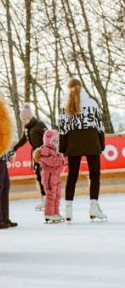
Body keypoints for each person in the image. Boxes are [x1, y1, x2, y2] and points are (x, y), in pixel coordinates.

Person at [59, 78, 107, 222]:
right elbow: (100, 125)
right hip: (92, 141)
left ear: (69, 89)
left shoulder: (65, 105)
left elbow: (63, 129)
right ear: (81, 86)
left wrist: (63, 149)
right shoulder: (92, 103)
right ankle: (93, 206)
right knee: (95, 175)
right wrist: (101, 144)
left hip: (74, 142)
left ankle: (68, 209)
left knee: (72, 176)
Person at [11, 104, 47, 211]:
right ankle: (44, 199)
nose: (23, 122)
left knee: (47, 177)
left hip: (44, 154)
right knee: (39, 177)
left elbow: (48, 137)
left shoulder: (39, 125)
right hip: (36, 156)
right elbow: (23, 140)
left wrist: (47, 151)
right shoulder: (27, 128)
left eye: (23, 120)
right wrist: (13, 149)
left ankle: (51, 200)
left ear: (28, 118)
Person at [33, 130, 66, 223]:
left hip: (56, 177)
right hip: (49, 177)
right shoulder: (45, 150)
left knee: (57, 195)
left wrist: (65, 159)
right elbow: (51, 161)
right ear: (48, 141)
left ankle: (55, 213)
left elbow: (63, 160)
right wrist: (61, 160)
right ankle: (49, 214)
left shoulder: (56, 150)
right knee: (51, 195)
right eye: (54, 140)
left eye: (58, 140)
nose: (57, 143)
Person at [0, 150, 18, 229]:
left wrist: (10, 154)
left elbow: (5, 142)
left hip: (2, 159)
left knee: (5, 189)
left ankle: (4, 218)